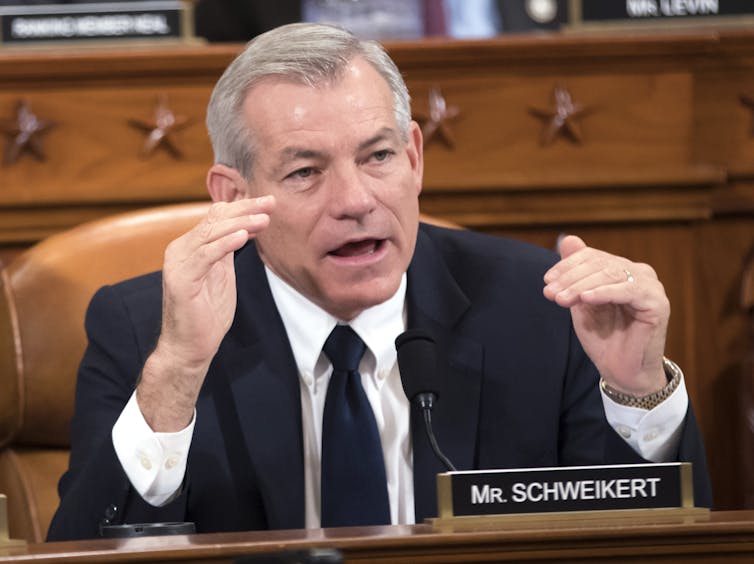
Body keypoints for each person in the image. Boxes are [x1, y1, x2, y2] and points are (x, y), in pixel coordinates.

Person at [47, 22, 711, 541]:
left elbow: (648, 543)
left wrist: (637, 395)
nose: (356, 200)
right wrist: (178, 374)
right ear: (232, 196)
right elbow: (82, 550)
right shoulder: (147, 330)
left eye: (378, 156)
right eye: (306, 171)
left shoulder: (541, 306)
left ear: (416, 157)